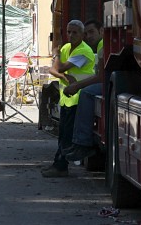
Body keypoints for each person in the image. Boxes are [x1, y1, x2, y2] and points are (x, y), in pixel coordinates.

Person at [41, 19, 96, 178]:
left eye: (75, 32)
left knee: (66, 136)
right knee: (63, 134)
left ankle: (60, 166)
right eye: (69, 32)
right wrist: (63, 76)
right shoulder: (66, 48)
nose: (71, 35)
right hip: (67, 98)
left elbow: (60, 66)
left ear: (82, 35)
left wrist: (57, 56)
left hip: (79, 99)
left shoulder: (83, 51)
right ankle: (59, 164)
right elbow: (54, 70)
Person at [64, 19, 104, 162]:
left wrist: (77, 86)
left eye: (92, 32)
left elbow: (101, 76)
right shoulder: (98, 46)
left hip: (105, 85)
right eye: (86, 33)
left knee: (86, 94)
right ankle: (78, 143)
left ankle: (82, 143)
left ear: (102, 31)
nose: (89, 36)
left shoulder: (102, 45)